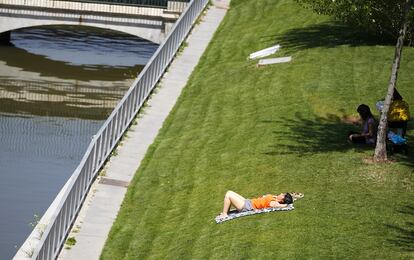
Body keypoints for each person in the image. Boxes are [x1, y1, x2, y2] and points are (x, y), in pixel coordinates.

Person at [218, 190, 293, 219]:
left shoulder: (274, 202)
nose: (281, 193)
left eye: (283, 194)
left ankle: (225, 214)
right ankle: (226, 212)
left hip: (246, 206)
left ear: (282, 200)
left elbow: (282, 205)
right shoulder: (275, 198)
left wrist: (285, 204)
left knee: (228, 195)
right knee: (229, 192)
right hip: (248, 201)